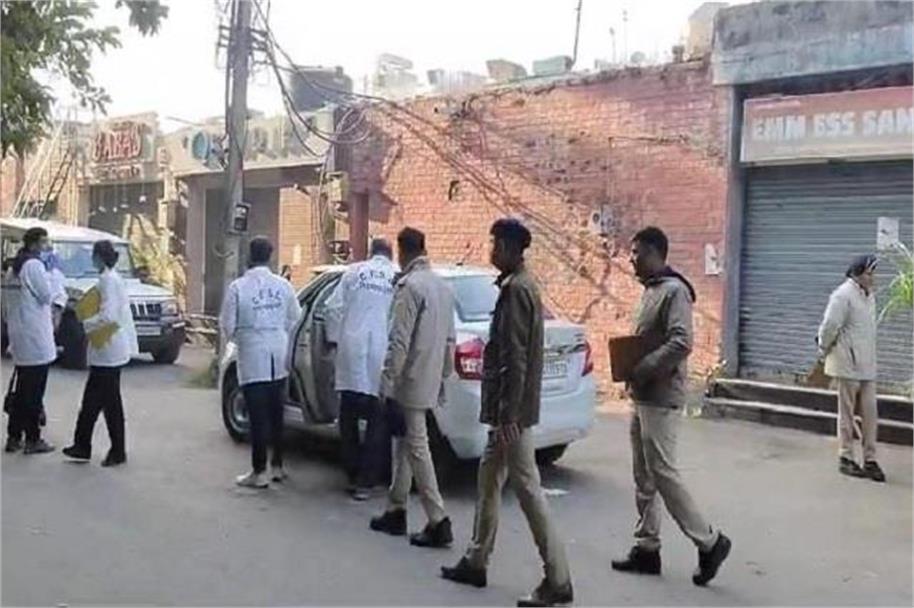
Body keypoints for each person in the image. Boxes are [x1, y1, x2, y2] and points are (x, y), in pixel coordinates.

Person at [442, 219, 573, 608]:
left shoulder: (517, 291)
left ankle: (558, 579)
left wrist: (509, 416)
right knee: (488, 479)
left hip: (511, 414)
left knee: (528, 489)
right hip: (509, 412)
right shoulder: (519, 285)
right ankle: (476, 560)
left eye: (496, 244)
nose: (492, 250)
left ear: (512, 249)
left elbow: (514, 358)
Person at [611, 226, 731, 586]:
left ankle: (710, 541)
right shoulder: (651, 290)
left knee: (662, 472)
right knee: (644, 476)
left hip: (662, 397)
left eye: (637, 252)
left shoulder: (675, 291)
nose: (631, 258)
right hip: (642, 394)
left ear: (655, 253)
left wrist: (645, 366)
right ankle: (646, 547)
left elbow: (682, 341)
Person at [370, 227, 455, 548]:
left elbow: (399, 341)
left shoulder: (410, 287)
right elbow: (450, 339)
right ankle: (396, 508)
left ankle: (438, 518)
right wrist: (444, 375)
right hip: (431, 373)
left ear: (402, 252)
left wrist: (387, 381)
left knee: (416, 445)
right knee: (406, 444)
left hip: (410, 376)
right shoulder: (442, 287)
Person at [219, 237, 302, 488]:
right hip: (278, 350)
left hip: (252, 353)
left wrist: (241, 339)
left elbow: (227, 324)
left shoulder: (238, 287)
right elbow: (296, 317)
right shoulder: (283, 285)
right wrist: (279, 332)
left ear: (249, 256)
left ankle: (259, 471)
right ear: (270, 256)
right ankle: (277, 466)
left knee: (257, 416)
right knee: (277, 413)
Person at [324, 238, 397, 501]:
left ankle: (352, 474)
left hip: (351, 350)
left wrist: (335, 340)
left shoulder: (353, 272)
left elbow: (332, 308)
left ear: (370, 253)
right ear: (390, 255)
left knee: (348, 416)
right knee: (377, 419)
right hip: (381, 351)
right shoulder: (396, 277)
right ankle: (368, 481)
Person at [62, 240, 138, 467]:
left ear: (99, 257)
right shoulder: (109, 279)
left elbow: (109, 316)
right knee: (92, 402)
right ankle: (82, 444)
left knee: (109, 404)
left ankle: (116, 450)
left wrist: (86, 323)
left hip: (109, 349)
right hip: (105, 350)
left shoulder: (109, 281)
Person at [817, 254, 885, 482]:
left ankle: (870, 459)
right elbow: (829, 326)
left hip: (867, 365)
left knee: (870, 414)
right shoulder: (842, 295)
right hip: (847, 363)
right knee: (846, 414)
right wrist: (822, 347)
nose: (873, 278)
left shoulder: (869, 296)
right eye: (869, 273)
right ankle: (846, 457)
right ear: (857, 275)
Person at [4, 227, 56, 455]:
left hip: (20, 335)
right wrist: (53, 275)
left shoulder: (13, 268)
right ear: (34, 244)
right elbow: (46, 296)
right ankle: (33, 439)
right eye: (44, 242)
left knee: (22, 389)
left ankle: (14, 437)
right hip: (36, 337)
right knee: (33, 393)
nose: (47, 247)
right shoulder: (34, 266)